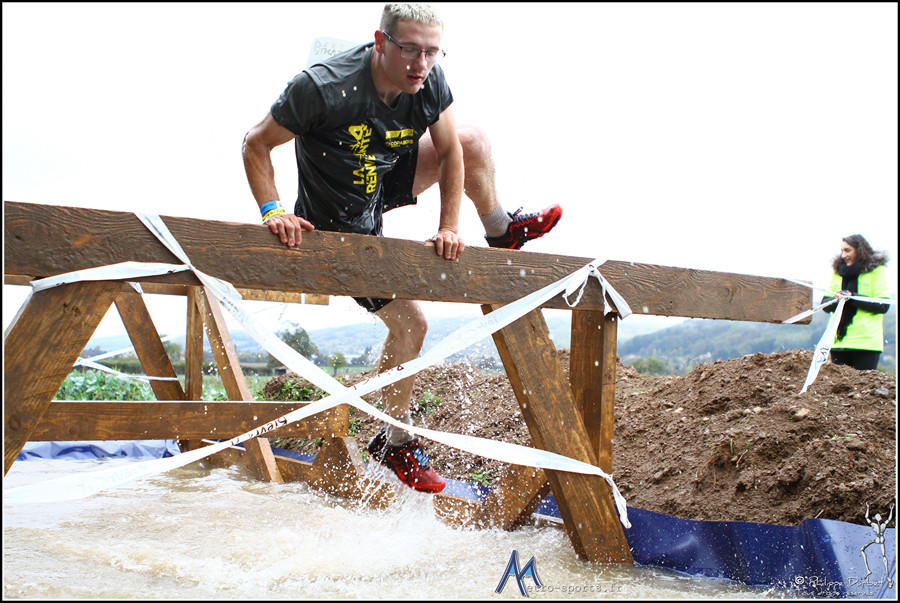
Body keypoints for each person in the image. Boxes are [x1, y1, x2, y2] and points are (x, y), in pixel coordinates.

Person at [242, 3, 562, 494]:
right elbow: (255, 143)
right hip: (336, 224)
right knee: (412, 324)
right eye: (410, 50)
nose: (422, 63)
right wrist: (272, 211)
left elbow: (450, 151)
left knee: (472, 140)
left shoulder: (428, 80)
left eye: (432, 52)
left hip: (384, 180)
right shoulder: (322, 86)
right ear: (380, 42)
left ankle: (501, 229)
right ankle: (394, 440)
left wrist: (449, 226)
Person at [820, 235, 891, 371]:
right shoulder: (837, 271)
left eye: (847, 250)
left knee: (864, 385)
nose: (843, 255)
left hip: (866, 344)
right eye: (842, 251)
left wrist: (852, 297)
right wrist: (837, 298)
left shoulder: (877, 270)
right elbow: (825, 305)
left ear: (859, 250)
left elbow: (883, 305)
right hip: (838, 342)